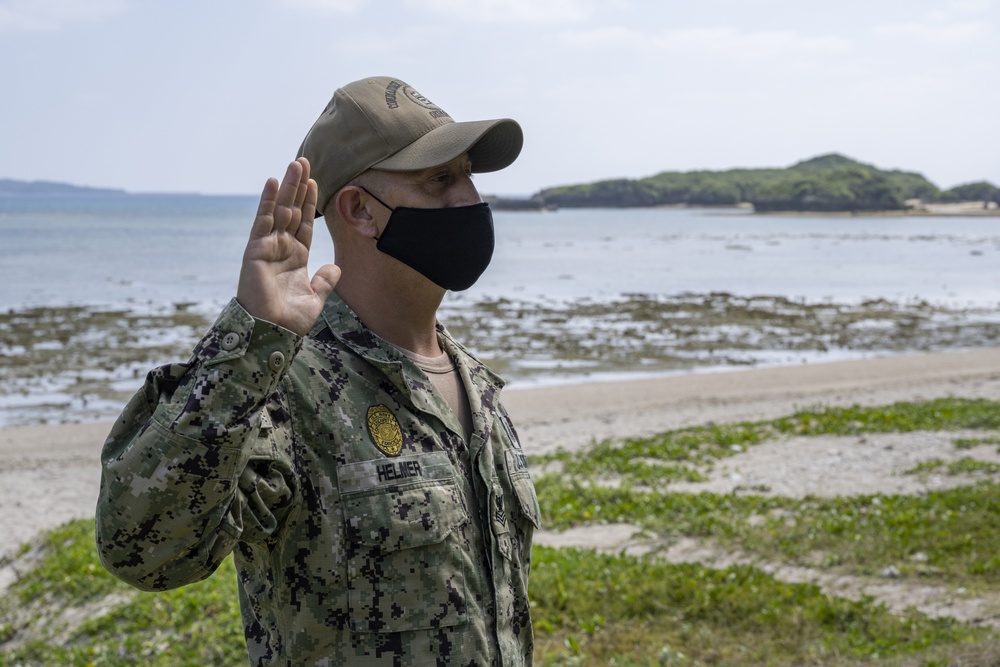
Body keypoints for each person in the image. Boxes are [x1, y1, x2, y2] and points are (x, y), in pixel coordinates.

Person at [96, 76, 539, 666]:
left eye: (466, 175)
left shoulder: (473, 384)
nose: (470, 200)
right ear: (360, 210)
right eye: (440, 180)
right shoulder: (283, 386)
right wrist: (251, 340)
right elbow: (141, 551)